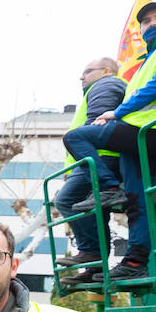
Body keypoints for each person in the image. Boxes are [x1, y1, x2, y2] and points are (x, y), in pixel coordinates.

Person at [63, 2, 156, 281]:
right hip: (142, 134)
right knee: (136, 202)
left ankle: (109, 187)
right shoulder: (144, 63)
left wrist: (117, 113)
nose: (152, 23)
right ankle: (135, 263)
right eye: (146, 21)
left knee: (76, 136)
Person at [54, 58, 127, 275]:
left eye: (87, 71)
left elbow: (97, 122)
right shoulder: (100, 88)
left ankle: (92, 253)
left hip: (99, 157)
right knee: (95, 210)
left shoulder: (105, 84)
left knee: (65, 200)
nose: (81, 76)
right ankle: (96, 266)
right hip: (94, 159)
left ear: (106, 71)